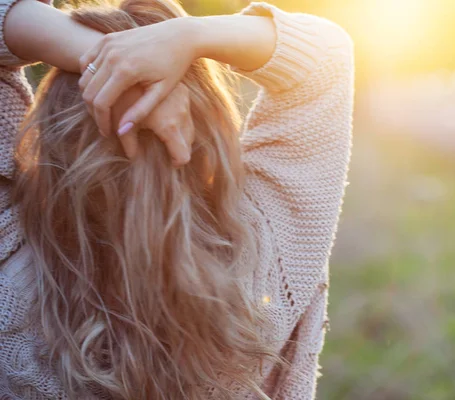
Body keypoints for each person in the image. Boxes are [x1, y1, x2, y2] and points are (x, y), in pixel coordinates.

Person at [0, 0, 354, 398]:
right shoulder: (267, 266)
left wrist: (90, 55)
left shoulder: (9, 270)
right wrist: (189, 37)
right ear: (209, 127)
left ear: (56, 133)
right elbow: (324, 59)